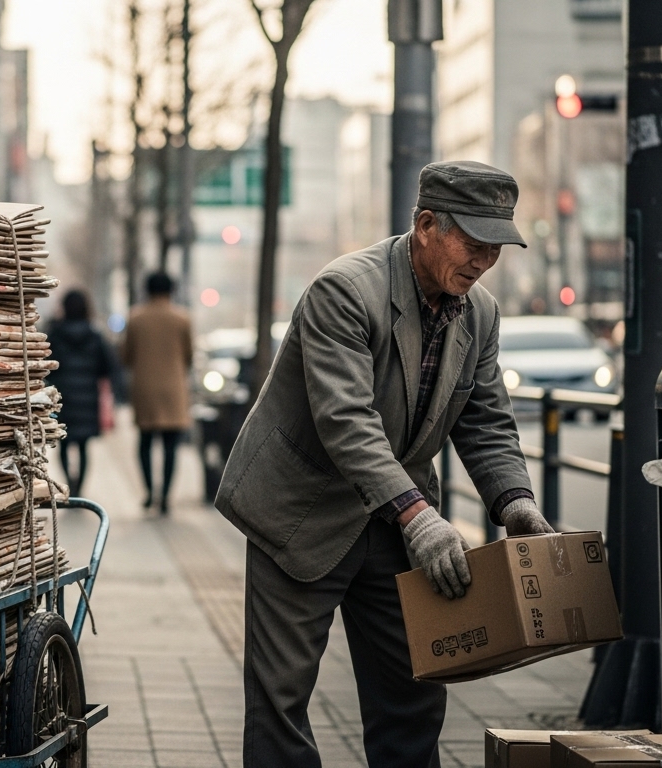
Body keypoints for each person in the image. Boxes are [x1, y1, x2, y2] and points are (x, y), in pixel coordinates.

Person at [215, 161, 556, 768]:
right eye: (472, 244)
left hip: (394, 516)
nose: (483, 262)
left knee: (414, 692)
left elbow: (486, 421)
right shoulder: (344, 290)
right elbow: (347, 422)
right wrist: (421, 518)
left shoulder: (480, 314)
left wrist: (515, 504)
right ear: (426, 225)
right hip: (303, 508)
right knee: (281, 699)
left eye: (495, 249)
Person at [121, 272, 193, 515]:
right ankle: (166, 496)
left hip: (145, 388)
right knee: (171, 445)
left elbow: (126, 356)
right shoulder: (182, 319)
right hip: (174, 389)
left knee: (145, 442)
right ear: (171, 290)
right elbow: (189, 356)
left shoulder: (135, 318)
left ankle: (150, 491)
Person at [46, 289, 117, 495]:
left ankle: (69, 482)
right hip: (87, 398)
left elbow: (45, 365)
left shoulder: (55, 334)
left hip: (63, 397)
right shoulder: (95, 335)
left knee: (65, 443)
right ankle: (80, 489)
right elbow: (107, 367)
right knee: (84, 446)